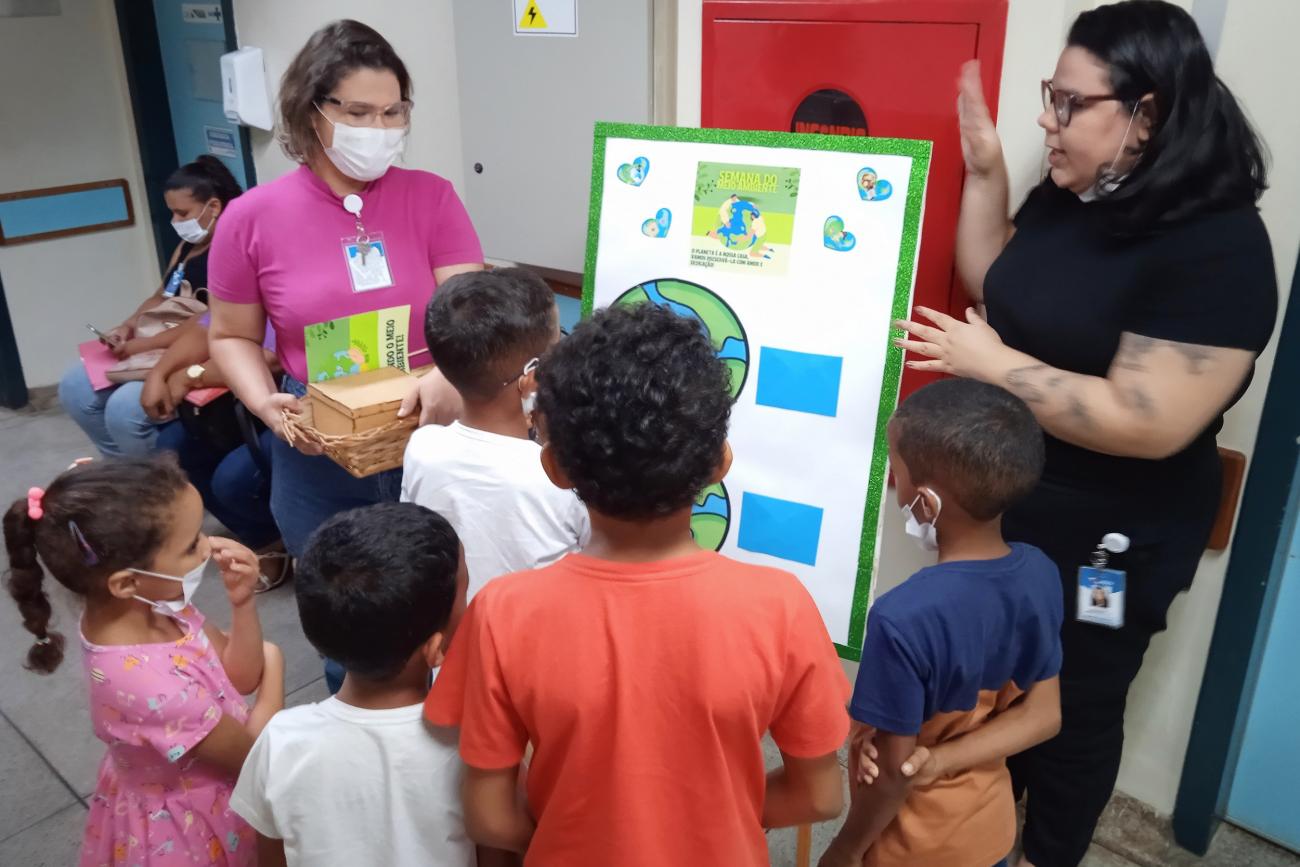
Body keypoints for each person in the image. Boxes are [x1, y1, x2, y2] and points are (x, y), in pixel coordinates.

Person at [894, 3, 1278, 864]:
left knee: (1072, 710)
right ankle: (986, 833)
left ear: (1145, 114)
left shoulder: (1219, 246)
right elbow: (997, 278)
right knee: (996, 690)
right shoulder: (1078, 195)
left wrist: (995, 366)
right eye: (1049, 95)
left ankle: (1049, 851)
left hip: (1114, 531)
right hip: (1017, 499)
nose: (1047, 120)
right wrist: (987, 170)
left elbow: (1147, 420)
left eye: (1069, 103)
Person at [424, 303, 850, 864]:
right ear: (719, 462)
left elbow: (489, 815)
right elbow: (820, 795)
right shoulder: (782, 606)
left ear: (555, 469)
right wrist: (715, 824)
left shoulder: (501, 612)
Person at [208, 19, 484, 559]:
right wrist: (265, 405)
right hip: (318, 434)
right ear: (311, 112)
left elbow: (471, 311)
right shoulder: (250, 218)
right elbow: (230, 335)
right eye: (358, 113)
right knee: (342, 590)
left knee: (449, 585)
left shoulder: (432, 197)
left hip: (434, 415)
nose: (378, 128)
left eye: (393, 112)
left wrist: (451, 374)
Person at [819, 379, 1063, 867]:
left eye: (898, 472)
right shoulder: (1039, 572)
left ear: (926, 504)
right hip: (990, 833)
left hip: (913, 848)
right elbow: (1044, 716)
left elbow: (893, 775)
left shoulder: (901, 620)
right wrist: (940, 760)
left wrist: (844, 850)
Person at [2, 456, 285, 865]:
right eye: (191, 545)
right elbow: (255, 760)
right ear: (126, 582)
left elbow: (238, 677)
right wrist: (274, 665)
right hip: (199, 822)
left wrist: (242, 603)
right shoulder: (153, 688)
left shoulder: (151, 604)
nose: (208, 547)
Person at [231, 503, 505, 867]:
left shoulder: (280, 741)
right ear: (435, 649)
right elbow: (496, 855)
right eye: (464, 595)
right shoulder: (472, 744)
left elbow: (271, 857)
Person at [402, 268, 588, 600]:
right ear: (531, 376)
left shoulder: (422, 447)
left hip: (457, 624)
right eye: (558, 342)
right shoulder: (561, 478)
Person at [59, 156, 242, 457]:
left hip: (194, 351)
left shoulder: (234, 249)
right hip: (155, 342)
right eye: (172, 213)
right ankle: (123, 470)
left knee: (123, 411)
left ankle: (155, 482)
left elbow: (208, 322)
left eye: (183, 213)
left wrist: (143, 346)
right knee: (74, 387)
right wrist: (128, 327)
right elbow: (161, 296)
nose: (176, 222)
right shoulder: (188, 246)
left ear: (213, 207)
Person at [147, 313, 288, 590]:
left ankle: (288, 535)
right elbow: (208, 326)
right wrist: (159, 374)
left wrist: (192, 375)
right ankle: (265, 538)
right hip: (241, 398)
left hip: (296, 400)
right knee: (173, 448)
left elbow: (273, 360)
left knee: (234, 479)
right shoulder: (238, 285)